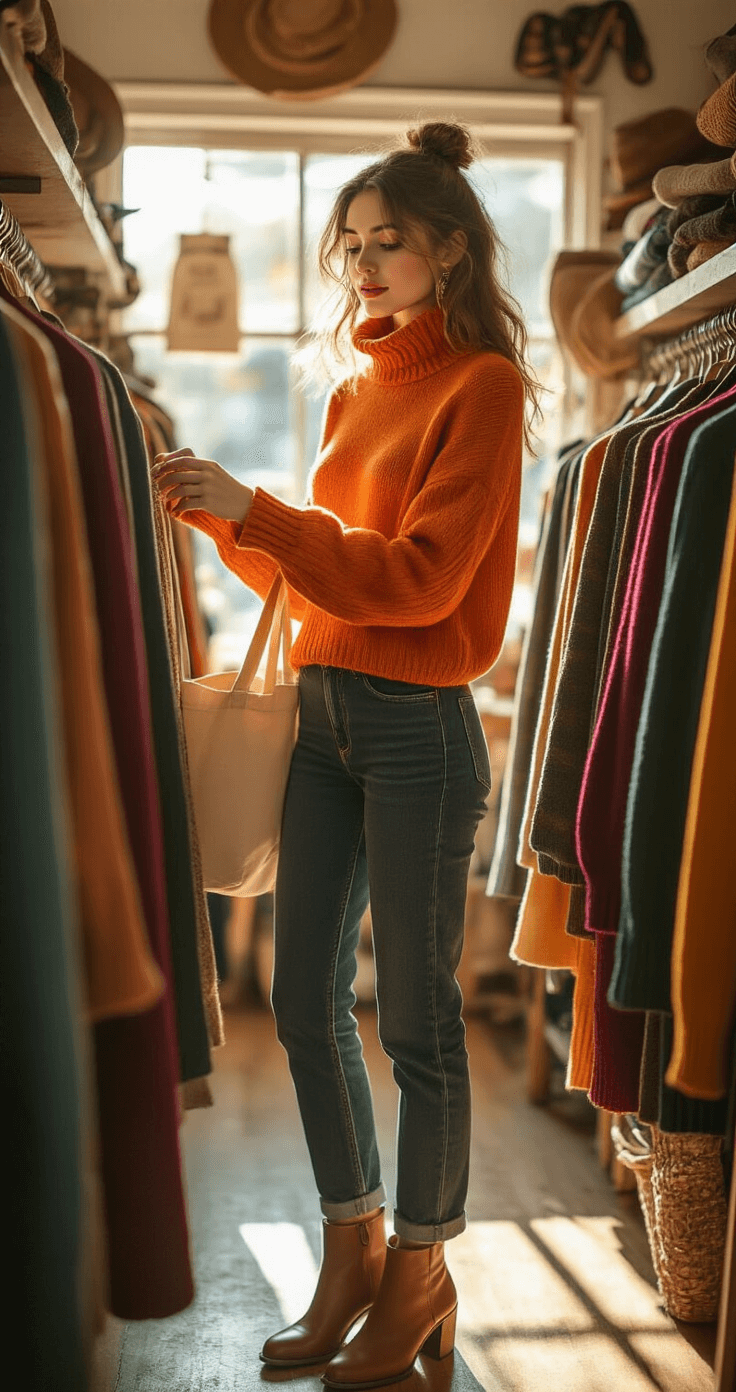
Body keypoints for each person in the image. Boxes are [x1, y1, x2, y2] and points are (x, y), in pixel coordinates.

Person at [152, 121, 537, 1388]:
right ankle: (354, 1256)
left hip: (417, 728)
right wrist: (227, 516)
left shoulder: (481, 387)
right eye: (352, 246)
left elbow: (419, 582)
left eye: (389, 245)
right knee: (304, 1004)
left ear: (451, 251)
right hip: (318, 714)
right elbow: (321, 581)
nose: (364, 267)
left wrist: (260, 511)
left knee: (420, 1027)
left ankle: (422, 1273)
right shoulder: (349, 388)